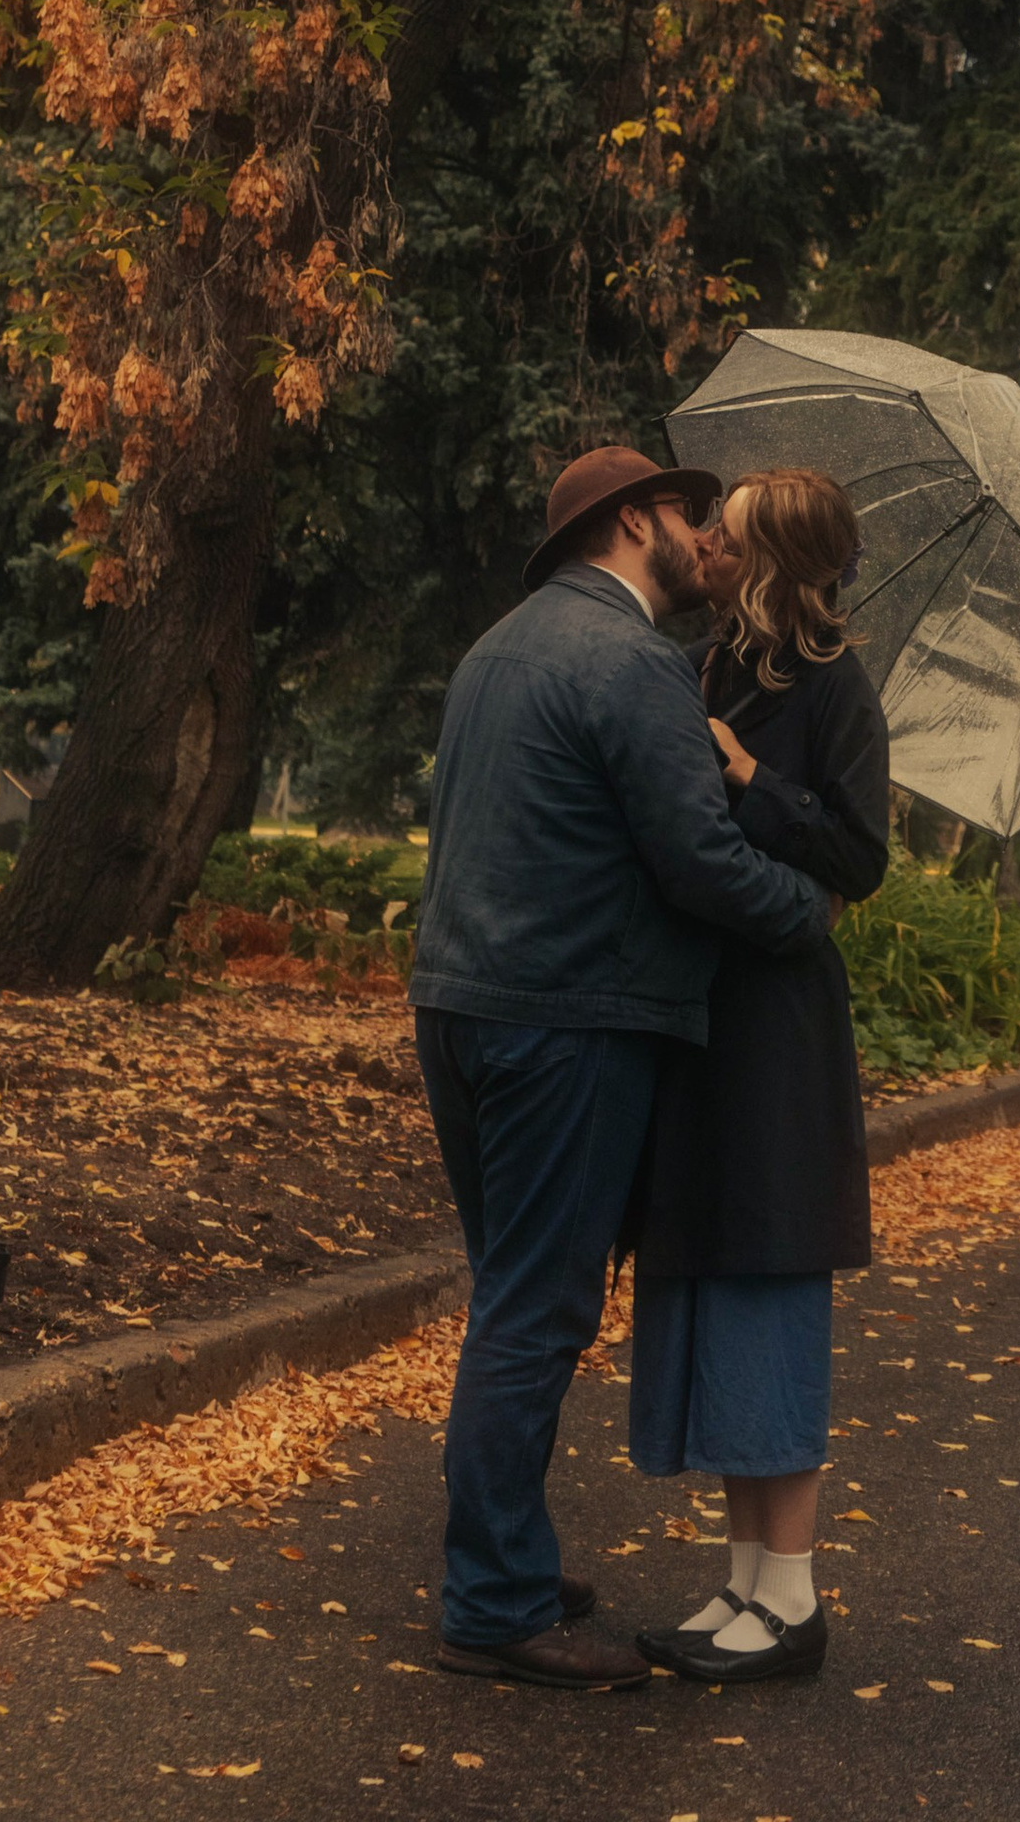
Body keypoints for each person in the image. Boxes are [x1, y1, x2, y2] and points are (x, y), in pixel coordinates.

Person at [409, 445, 834, 1693]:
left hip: (459, 1007)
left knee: (510, 1298)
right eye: (690, 515)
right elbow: (697, 857)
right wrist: (805, 910)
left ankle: (506, 1562)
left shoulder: (498, 649)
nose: (706, 537)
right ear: (637, 521)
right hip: (567, 1022)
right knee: (535, 1313)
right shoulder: (631, 660)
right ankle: (492, 1607)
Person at [630, 465, 891, 1690]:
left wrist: (746, 777)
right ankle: (743, 1581)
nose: (707, 550)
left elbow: (858, 857)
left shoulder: (837, 688)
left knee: (769, 1279)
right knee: (716, 1279)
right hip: (704, 1017)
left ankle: (793, 1598)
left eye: (728, 540)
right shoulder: (706, 669)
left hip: (780, 1032)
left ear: (777, 562)